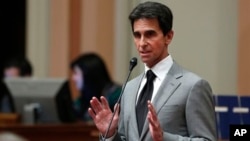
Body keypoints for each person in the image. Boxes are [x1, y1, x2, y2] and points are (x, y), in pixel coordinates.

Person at [88, 1, 217, 141]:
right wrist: (111, 134)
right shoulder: (129, 89)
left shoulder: (193, 86)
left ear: (168, 37)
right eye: (137, 35)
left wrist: (164, 137)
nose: (142, 43)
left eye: (150, 34)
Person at [70, 53, 122, 122]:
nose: (73, 78)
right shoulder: (81, 101)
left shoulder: (117, 95)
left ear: (88, 74)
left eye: (76, 73)